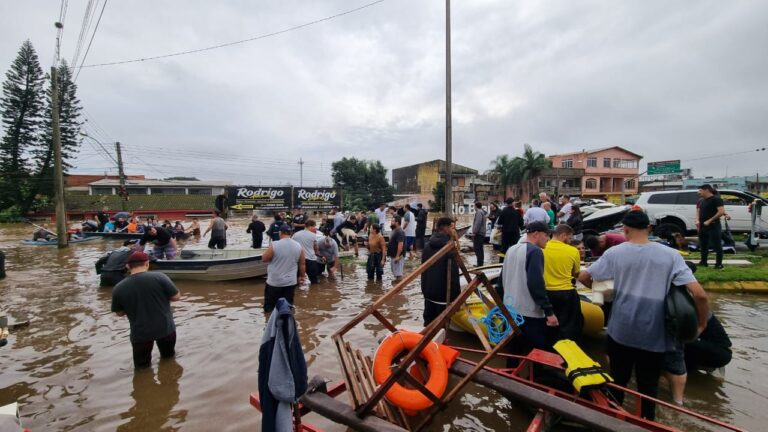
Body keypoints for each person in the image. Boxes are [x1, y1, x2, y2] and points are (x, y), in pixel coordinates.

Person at [577, 210, 709, 420]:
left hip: (620, 330)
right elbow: (700, 295)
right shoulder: (670, 255)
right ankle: (646, 422)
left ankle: (613, 419)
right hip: (654, 336)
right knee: (648, 388)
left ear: (625, 229)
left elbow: (584, 276)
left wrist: (604, 292)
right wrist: (701, 324)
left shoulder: (615, 253)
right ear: (649, 228)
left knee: (618, 383)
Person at [498, 221, 557, 366]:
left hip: (511, 309)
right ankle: (537, 381)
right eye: (546, 235)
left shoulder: (511, 249)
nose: (548, 239)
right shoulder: (535, 252)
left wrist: (501, 305)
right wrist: (549, 311)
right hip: (530, 312)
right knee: (539, 350)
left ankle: (510, 379)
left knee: (514, 350)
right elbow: (536, 283)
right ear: (536, 234)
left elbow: (501, 281)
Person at [111, 251, 181, 369]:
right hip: (165, 328)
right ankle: (169, 382)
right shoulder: (160, 277)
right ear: (147, 263)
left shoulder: (118, 287)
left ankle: (143, 385)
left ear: (128, 266)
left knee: (142, 368)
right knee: (169, 358)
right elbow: (176, 297)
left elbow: (119, 313)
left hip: (140, 333)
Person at [664, 312, 732, 406]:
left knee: (673, 341)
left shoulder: (685, 304)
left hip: (719, 351)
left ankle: (677, 401)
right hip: (704, 344)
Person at [543, 224, 583, 343]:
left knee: (548, 326)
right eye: (569, 238)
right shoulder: (573, 251)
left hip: (546, 293)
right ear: (563, 235)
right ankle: (566, 355)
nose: (570, 241)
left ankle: (549, 351)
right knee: (569, 327)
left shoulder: (541, 248)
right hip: (567, 293)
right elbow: (576, 273)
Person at [421, 217, 460, 326]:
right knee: (441, 328)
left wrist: (424, 289)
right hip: (442, 296)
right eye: (452, 227)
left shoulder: (427, 246)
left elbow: (423, 271)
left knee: (428, 325)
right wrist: (456, 297)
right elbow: (453, 275)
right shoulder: (449, 248)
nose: (454, 230)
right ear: (446, 228)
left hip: (428, 293)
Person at [261, 224, 305, 317]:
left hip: (274, 282)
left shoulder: (275, 244)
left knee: (269, 308)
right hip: (290, 282)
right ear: (291, 233)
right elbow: (302, 263)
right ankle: (287, 325)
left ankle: (269, 324)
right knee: (287, 307)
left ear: (280, 233)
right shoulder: (298, 246)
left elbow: (264, 259)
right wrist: (302, 276)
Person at [696, 184, 725, 269]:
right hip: (702, 226)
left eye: (700, 190)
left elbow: (721, 212)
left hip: (714, 226)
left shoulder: (717, 199)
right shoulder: (702, 201)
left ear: (707, 190)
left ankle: (718, 264)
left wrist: (709, 220)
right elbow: (698, 211)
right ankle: (703, 262)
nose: (699, 192)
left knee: (717, 245)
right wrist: (697, 221)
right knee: (703, 245)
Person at [292, 219, 320, 284]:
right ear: (310, 226)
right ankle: (314, 293)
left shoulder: (296, 234)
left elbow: (292, 245)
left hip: (298, 260)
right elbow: (316, 248)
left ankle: (298, 293)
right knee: (314, 281)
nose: (315, 228)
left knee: (296, 281)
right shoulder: (313, 235)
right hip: (310, 260)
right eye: (314, 226)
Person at [387, 216, 405, 281]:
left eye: (392, 221)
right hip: (393, 255)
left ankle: (400, 289)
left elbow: (400, 245)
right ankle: (398, 289)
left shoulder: (400, 232)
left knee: (398, 275)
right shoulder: (394, 230)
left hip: (397, 256)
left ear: (397, 222)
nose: (391, 223)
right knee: (396, 273)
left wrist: (397, 256)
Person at [471, 201, 487, 267]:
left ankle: (479, 264)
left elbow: (478, 223)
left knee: (477, 248)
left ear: (476, 206)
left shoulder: (478, 212)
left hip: (479, 233)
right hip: (481, 233)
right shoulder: (482, 212)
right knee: (480, 248)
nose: (474, 207)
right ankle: (481, 263)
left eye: (474, 206)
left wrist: (474, 232)